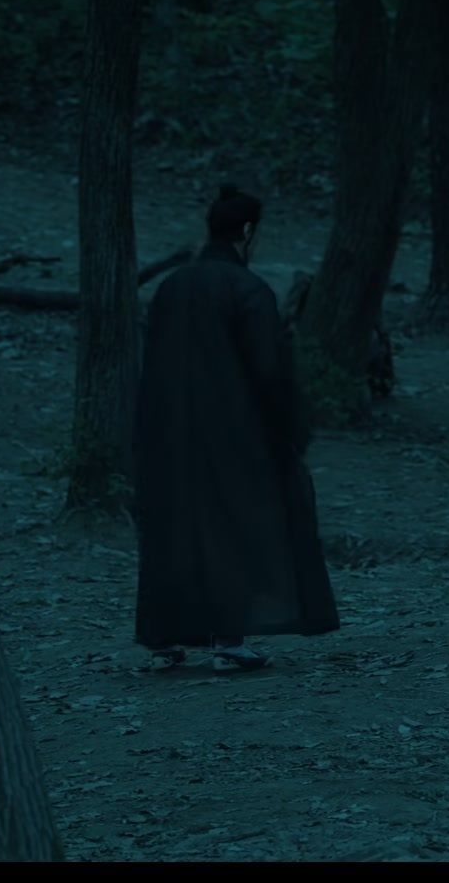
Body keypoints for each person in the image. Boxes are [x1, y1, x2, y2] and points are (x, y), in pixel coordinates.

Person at [131, 184, 340, 671]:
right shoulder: (248, 291)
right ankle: (228, 639)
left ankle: (164, 638)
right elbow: (269, 369)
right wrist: (290, 430)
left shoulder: (170, 288)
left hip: (167, 428)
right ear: (247, 231)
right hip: (232, 429)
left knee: (174, 528)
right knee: (233, 526)